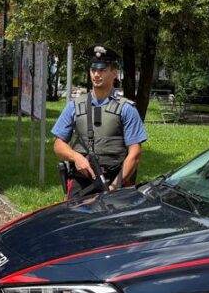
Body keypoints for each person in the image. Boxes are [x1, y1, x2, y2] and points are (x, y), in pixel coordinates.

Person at [51, 45, 148, 198]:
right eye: (93, 70)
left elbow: (135, 154)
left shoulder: (126, 109)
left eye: (102, 70)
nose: (96, 74)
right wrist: (76, 157)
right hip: (82, 182)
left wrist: (115, 185)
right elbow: (58, 145)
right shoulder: (74, 106)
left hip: (115, 181)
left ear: (114, 73)